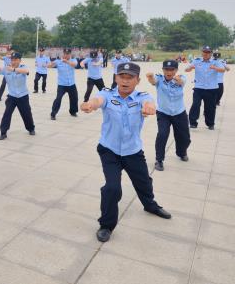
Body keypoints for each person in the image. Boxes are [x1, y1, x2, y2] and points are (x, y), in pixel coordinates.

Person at [80, 62, 171, 243]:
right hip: (109, 150)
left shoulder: (142, 96)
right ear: (116, 78)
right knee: (112, 188)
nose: (125, 81)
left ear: (137, 80)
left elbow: (149, 103)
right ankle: (106, 225)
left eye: (130, 78)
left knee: (144, 182)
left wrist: (149, 108)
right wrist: (90, 104)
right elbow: (97, 100)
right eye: (122, 76)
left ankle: (150, 205)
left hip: (132, 151)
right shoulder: (107, 94)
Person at [146, 60, 191, 171]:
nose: (169, 72)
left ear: (176, 70)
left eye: (172, 70)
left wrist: (177, 79)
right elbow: (153, 81)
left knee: (184, 137)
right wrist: (150, 77)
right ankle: (159, 160)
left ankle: (181, 152)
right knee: (162, 135)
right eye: (166, 69)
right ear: (163, 70)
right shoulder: (159, 79)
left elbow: (181, 82)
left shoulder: (181, 77)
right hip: (163, 113)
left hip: (179, 113)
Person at [0, 52, 35, 140]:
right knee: (7, 114)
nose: (13, 61)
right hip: (12, 96)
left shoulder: (23, 67)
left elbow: (26, 72)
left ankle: (31, 128)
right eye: (12, 60)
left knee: (26, 114)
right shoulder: (6, 68)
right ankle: (3, 132)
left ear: (20, 60)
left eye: (15, 60)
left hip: (23, 96)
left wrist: (13, 70)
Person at [185, 46, 225, 130]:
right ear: (202, 52)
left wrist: (215, 68)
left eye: (208, 52)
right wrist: (190, 68)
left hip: (211, 88)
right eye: (204, 52)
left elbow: (223, 70)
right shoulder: (197, 61)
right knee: (195, 105)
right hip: (199, 88)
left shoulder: (215, 62)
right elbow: (186, 69)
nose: (206, 54)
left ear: (211, 53)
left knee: (210, 107)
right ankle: (193, 123)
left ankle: (210, 124)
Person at [49, 48, 79, 120]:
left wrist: (67, 62)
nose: (66, 55)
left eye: (68, 54)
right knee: (58, 98)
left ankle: (73, 112)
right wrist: (51, 64)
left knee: (74, 98)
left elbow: (75, 65)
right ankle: (53, 114)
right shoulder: (58, 61)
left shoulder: (73, 60)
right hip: (62, 84)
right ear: (63, 54)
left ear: (70, 54)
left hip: (71, 84)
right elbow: (50, 65)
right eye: (65, 54)